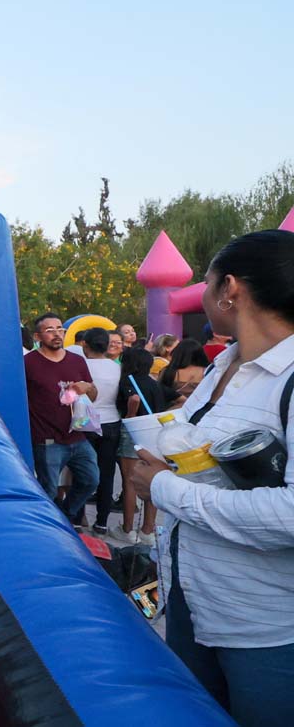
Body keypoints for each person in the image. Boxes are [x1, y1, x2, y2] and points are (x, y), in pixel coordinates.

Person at [129, 230, 294, 727]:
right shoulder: (223, 363)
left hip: (265, 626)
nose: (201, 296)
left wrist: (164, 489)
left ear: (231, 289)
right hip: (191, 600)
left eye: (206, 283)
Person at [23, 312, 100, 526]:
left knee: (91, 479)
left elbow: (93, 395)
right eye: (50, 330)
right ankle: (47, 528)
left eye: (60, 329)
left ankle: (64, 515)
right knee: (48, 488)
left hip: (78, 435)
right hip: (47, 439)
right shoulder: (27, 363)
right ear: (38, 337)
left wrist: (89, 388)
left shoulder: (77, 361)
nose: (57, 334)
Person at [111, 348, 168, 544]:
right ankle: (147, 530)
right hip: (155, 433)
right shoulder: (154, 384)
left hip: (135, 431)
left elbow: (134, 399)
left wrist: (131, 415)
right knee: (152, 480)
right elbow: (180, 399)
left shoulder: (128, 381)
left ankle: (127, 530)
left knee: (130, 483)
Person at [80, 329, 121, 535]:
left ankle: (79, 517)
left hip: (86, 420)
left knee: (81, 471)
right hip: (112, 421)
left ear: (85, 345)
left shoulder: (81, 365)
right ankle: (102, 522)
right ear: (107, 345)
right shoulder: (117, 368)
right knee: (107, 474)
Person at [159, 338, 211, 408]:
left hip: (172, 411)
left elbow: (160, 392)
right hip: (199, 410)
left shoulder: (168, 371)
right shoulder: (207, 371)